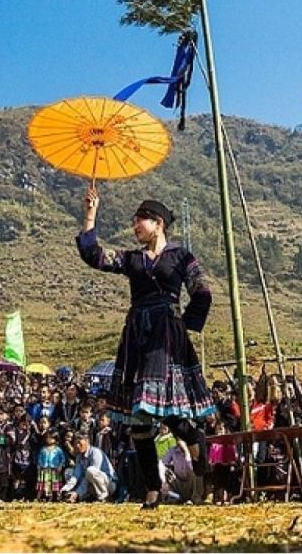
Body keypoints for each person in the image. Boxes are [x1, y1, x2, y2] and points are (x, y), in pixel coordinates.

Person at [77, 188, 213, 509]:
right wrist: (91, 213)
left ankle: (204, 473)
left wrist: (184, 325)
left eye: (140, 220)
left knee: (175, 418)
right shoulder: (131, 258)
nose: (135, 225)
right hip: (137, 334)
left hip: (167, 336)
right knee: (139, 418)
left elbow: (202, 292)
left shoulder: (182, 257)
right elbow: (93, 255)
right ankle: (153, 488)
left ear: (158, 223)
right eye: (135, 220)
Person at [62, 433, 116, 503]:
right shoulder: (79, 456)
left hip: (109, 484)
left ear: (87, 441)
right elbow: (75, 476)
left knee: (90, 470)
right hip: (92, 485)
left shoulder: (95, 452)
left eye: (79, 443)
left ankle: (103, 498)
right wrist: (65, 489)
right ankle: (72, 497)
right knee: (68, 472)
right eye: (75, 443)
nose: (77, 446)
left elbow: (89, 477)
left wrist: (78, 492)